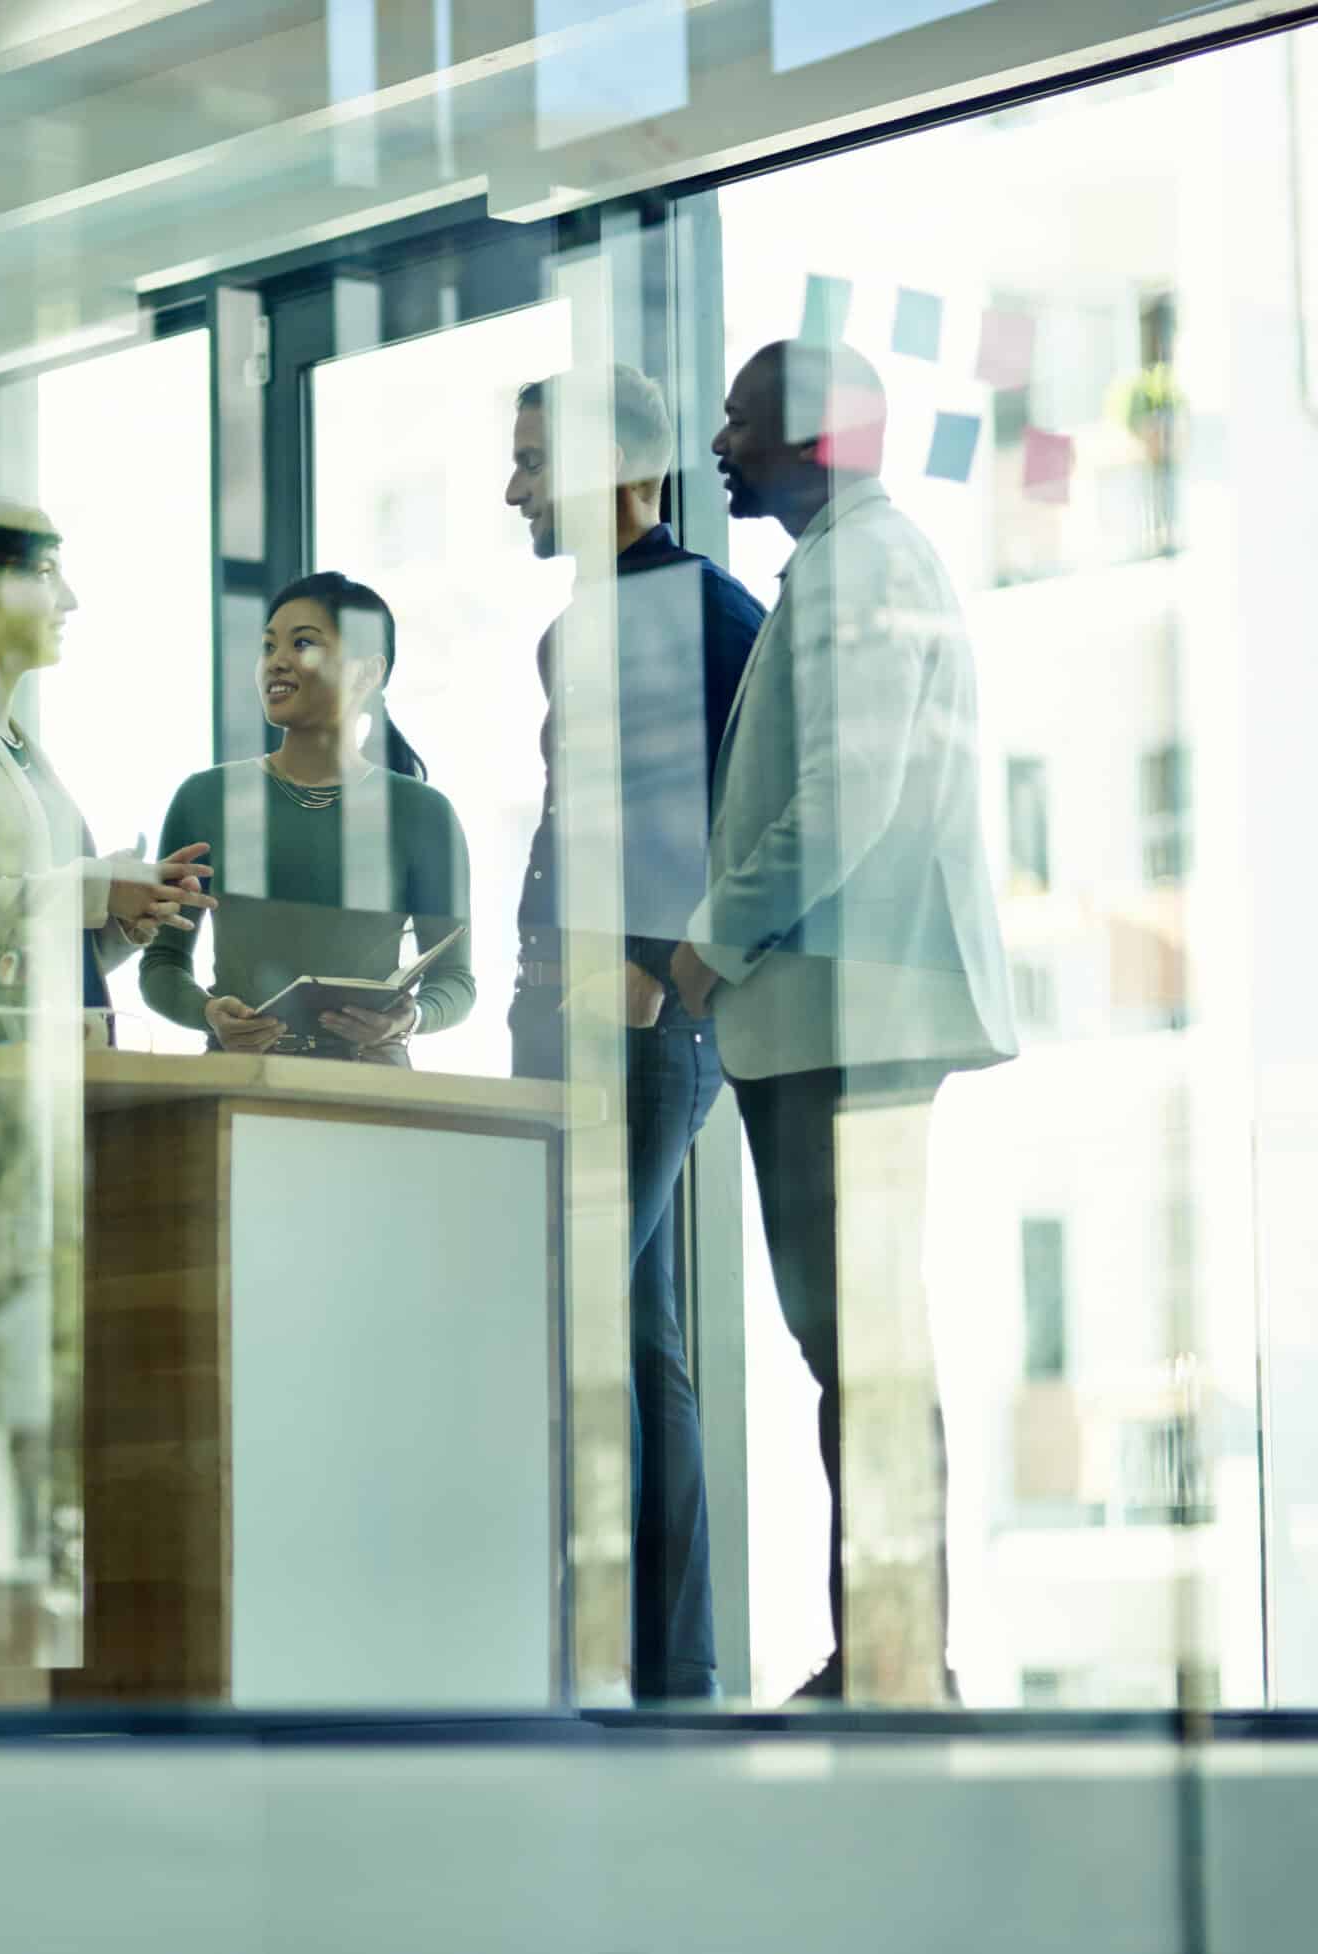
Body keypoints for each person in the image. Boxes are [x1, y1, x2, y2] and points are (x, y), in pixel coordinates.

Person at [669, 339, 1018, 1703]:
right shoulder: (853, 563)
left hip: (842, 1018)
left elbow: (843, 798)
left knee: (861, 1348)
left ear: (816, 438)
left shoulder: (863, 566)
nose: (719, 448)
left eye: (740, 423)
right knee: (859, 1347)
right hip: (842, 1012)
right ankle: (887, 1650)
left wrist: (710, 943)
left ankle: (890, 1659)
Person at [503, 363, 766, 1702]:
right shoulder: (590, 620)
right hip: (564, 1003)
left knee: (572, 1316)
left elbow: (729, 805)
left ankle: (612, 1653)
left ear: (619, 464)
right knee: (634, 1334)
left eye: (536, 459)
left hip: (632, 1018)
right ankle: (670, 1670)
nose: (517, 488)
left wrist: (662, 977)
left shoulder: (702, 610)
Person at [0, 503, 214, 1042]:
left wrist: (123, 912)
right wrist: (95, 888)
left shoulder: (20, 747)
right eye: (46, 573)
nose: (69, 599)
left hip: (53, 1061)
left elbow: (40, 949)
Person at [141, 573, 471, 1062]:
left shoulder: (424, 813)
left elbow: (456, 981)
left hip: (370, 1087)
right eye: (268, 645)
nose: (277, 661)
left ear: (367, 672)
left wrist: (410, 1018)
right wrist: (209, 1013)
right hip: (239, 1081)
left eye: (303, 644)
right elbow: (163, 962)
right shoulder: (205, 798)